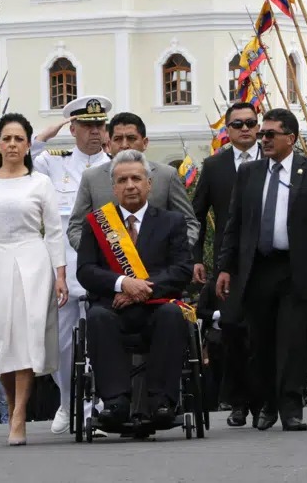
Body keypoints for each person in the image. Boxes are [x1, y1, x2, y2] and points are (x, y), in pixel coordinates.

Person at [216, 108, 307, 432]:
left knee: (293, 340)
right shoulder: (250, 173)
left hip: (296, 269)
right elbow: (235, 224)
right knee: (260, 342)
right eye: (262, 134)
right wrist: (226, 267)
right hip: (257, 269)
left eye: (271, 134)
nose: (265, 139)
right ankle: (267, 403)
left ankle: (291, 407)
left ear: (291, 138)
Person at [0, 113, 69, 446]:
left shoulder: (40, 183)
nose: (12, 144)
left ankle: (19, 415)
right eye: (6, 138)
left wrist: (59, 273)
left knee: (24, 337)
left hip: (32, 263)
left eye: (19, 139)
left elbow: (53, 231)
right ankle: (10, 404)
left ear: (27, 144)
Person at [76, 149, 194, 429]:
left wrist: (141, 289)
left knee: (171, 315)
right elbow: (86, 270)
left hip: (158, 307)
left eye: (136, 179)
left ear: (148, 184)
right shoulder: (96, 224)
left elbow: (181, 270)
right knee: (97, 318)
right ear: (113, 187)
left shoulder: (172, 222)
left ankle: (162, 402)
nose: (130, 185)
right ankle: (116, 402)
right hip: (112, 308)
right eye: (123, 180)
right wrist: (122, 283)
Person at [30, 95, 111, 435]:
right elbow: (23, 154)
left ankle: (98, 407)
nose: (94, 132)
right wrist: (48, 133)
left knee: (102, 341)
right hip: (64, 267)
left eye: (99, 126)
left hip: (105, 269)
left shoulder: (116, 167)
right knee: (62, 343)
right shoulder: (55, 163)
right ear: (73, 128)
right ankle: (67, 401)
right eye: (87, 126)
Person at [191, 102, 262, 427]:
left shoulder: (273, 160)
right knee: (232, 331)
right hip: (227, 265)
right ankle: (238, 402)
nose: (245, 129)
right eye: (238, 124)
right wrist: (195, 259)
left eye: (250, 123)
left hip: (268, 260)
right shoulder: (214, 166)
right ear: (228, 130)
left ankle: (265, 401)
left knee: (262, 332)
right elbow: (197, 215)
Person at [67, 112, 199, 251]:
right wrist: (93, 254)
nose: (124, 145)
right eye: (118, 139)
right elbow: (76, 227)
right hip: (109, 269)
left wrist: (175, 253)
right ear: (109, 143)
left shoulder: (166, 175)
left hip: (160, 269)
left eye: (131, 138)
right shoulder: (92, 178)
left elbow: (189, 223)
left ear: (145, 142)